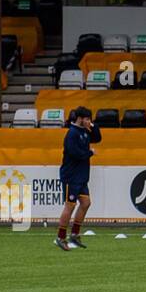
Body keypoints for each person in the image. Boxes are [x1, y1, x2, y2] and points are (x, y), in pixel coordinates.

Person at [55, 106, 100, 250]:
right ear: (80, 119)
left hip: (81, 176)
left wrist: (92, 125)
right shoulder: (72, 134)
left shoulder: (85, 131)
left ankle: (74, 234)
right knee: (70, 205)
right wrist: (90, 153)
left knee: (86, 203)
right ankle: (61, 237)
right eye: (87, 119)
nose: (89, 122)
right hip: (71, 176)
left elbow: (98, 138)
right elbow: (75, 153)